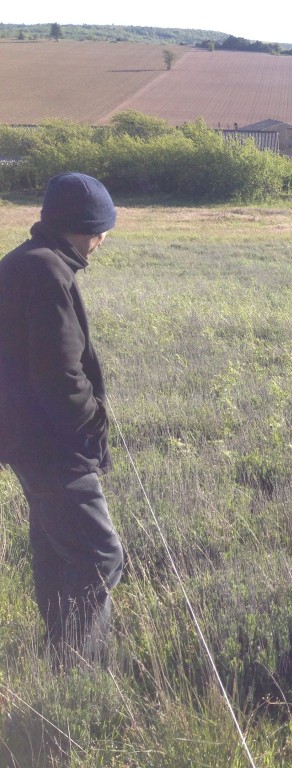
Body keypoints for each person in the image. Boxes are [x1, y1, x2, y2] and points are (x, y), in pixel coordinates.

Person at [0, 172, 124, 667]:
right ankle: (79, 668)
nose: (102, 241)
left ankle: (60, 653)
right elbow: (60, 373)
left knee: (58, 548)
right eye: (101, 230)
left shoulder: (21, 263)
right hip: (53, 444)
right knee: (98, 555)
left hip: (25, 439)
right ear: (85, 226)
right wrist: (93, 425)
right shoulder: (48, 272)